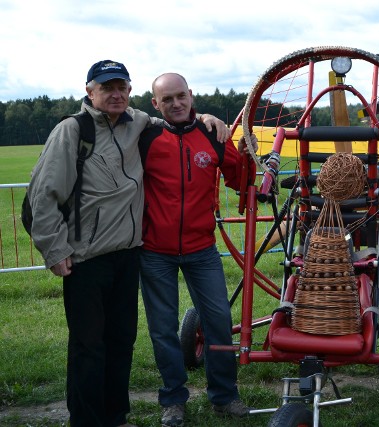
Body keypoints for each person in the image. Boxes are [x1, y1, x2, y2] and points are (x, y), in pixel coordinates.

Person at [27, 60, 227, 427]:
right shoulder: (73, 130)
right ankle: (88, 421)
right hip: (86, 258)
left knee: (121, 341)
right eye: (107, 88)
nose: (116, 94)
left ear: (131, 93)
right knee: (89, 345)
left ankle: (116, 416)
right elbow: (42, 196)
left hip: (129, 254)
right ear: (90, 92)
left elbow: (178, 118)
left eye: (122, 87)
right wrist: (54, 250)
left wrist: (210, 118)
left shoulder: (138, 123)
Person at [137, 73, 257, 427]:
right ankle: (173, 400)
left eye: (181, 96)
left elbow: (240, 178)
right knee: (162, 328)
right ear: (155, 104)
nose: (176, 103)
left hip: (202, 249)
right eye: (167, 99)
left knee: (219, 321)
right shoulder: (145, 137)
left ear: (191, 96)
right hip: (154, 251)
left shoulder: (212, 134)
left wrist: (248, 154)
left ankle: (224, 396)